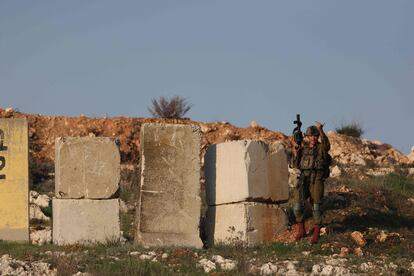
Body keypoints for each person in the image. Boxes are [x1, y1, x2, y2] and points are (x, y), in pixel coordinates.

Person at [291, 121, 330, 244]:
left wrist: (321, 130)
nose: (313, 138)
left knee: (316, 206)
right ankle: (301, 230)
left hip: (316, 178)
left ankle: (316, 233)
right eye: (311, 136)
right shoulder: (303, 149)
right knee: (297, 206)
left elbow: (326, 145)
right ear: (307, 137)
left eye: (315, 136)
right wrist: (296, 150)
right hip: (303, 178)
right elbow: (296, 164)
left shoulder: (321, 148)